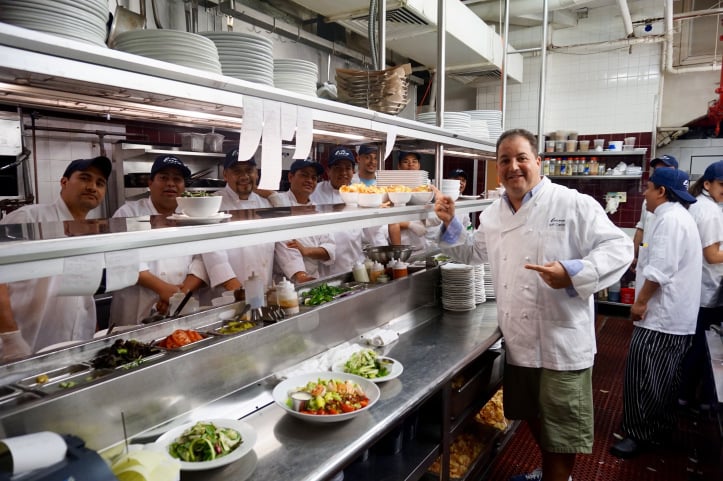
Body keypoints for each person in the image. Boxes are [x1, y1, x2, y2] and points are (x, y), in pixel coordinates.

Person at [433, 129, 633, 481]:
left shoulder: (571, 203)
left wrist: (572, 272)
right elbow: (474, 253)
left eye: (522, 158)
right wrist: (450, 222)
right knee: (534, 417)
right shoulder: (493, 214)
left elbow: (620, 249)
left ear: (538, 162)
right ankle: (550, 474)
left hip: (560, 342)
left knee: (562, 430)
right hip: (520, 341)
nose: (514, 167)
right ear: (497, 169)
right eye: (505, 160)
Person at [611, 168, 702, 459]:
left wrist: (640, 303)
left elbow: (661, 269)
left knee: (644, 375)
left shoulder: (670, 220)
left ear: (662, 191)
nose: (645, 194)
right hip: (675, 317)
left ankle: (638, 435)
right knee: (664, 378)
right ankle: (659, 429)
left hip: (661, 317)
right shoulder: (675, 217)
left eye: (648, 188)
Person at [0, 156, 112, 355]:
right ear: (64, 182)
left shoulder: (90, 231)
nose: (92, 187)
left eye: (100, 183)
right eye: (85, 178)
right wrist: (9, 336)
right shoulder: (29, 218)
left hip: (77, 342)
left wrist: (93, 333)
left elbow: (84, 293)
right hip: (27, 341)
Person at [110, 155, 207, 324]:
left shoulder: (193, 214)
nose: (171, 183)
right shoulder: (128, 213)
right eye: (163, 178)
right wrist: (164, 290)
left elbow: (202, 259)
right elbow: (122, 258)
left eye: (177, 179)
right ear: (150, 183)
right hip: (137, 306)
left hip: (183, 303)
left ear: (184, 186)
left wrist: (179, 294)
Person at [678, 160, 723, 410]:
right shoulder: (708, 211)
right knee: (701, 348)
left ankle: (685, 396)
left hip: (700, 288)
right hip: (707, 290)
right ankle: (690, 398)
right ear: (707, 184)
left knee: (696, 345)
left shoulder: (702, 206)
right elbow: (712, 255)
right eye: (721, 185)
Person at [202, 150, 274, 293]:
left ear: (257, 173)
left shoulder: (266, 205)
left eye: (249, 170)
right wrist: (235, 287)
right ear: (225, 175)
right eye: (237, 171)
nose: (244, 176)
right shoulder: (212, 204)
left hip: (263, 287)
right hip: (229, 293)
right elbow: (211, 249)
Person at [311, 146, 387, 276]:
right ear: (328, 171)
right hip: (323, 268)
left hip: (354, 266)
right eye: (338, 168)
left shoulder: (361, 192)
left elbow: (374, 231)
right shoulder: (315, 192)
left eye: (348, 168)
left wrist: (385, 260)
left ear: (353, 171)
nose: (343, 172)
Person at [274, 159, 335, 280]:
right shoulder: (278, 203)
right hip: (285, 282)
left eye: (313, 177)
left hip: (313, 278)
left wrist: (306, 251)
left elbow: (330, 251)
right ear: (291, 177)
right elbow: (283, 241)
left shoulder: (318, 210)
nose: (310, 181)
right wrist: (301, 275)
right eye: (304, 175)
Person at [632, 155, 677, 270]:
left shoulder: (678, 207)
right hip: (646, 251)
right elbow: (641, 229)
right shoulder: (648, 201)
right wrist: (634, 255)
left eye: (665, 170)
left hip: (663, 262)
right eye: (657, 170)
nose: (659, 174)